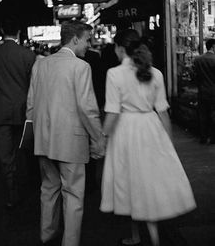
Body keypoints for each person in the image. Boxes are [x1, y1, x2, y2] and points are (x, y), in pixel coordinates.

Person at [99, 30, 196, 246]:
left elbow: (113, 112)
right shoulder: (156, 73)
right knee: (148, 182)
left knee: (130, 182)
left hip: (126, 130)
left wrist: (102, 137)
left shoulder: (114, 74)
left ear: (121, 48)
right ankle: (148, 237)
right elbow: (162, 111)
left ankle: (140, 237)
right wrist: (168, 142)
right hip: (151, 128)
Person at [26, 20, 105, 246]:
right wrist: (98, 138)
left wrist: (32, 134)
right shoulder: (81, 67)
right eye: (87, 40)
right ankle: (69, 242)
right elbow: (87, 108)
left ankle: (46, 234)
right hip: (71, 141)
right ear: (75, 39)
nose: (88, 45)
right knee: (73, 195)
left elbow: (30, 104)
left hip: (43, 139)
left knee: (48, 189)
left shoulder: (40, 65)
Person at [0, 17, 36, 207]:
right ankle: (28, 187)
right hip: (24, 111)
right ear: (19, 32)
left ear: (2, 31)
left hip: (0, 111)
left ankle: (12, 193)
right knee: (25, 151)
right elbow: (34, 85)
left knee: (5, 156)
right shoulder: (28, 55)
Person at [193, 39, 215, 144]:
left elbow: (195, 76)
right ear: (213, 46)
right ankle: (213, 137)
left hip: (202, 91)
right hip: (213, 91)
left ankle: (203, 137)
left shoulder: (198, 60)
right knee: (213, 114)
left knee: (203, 115)